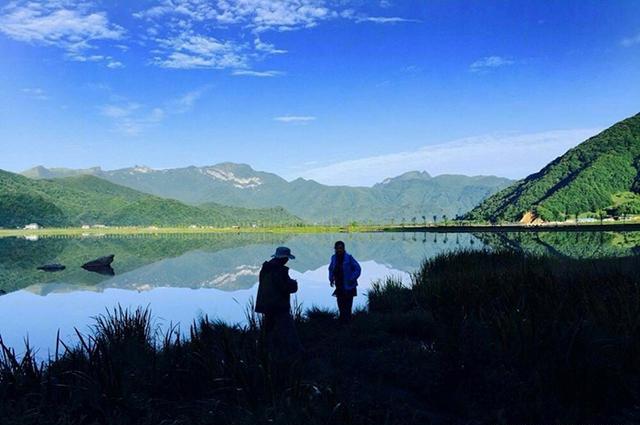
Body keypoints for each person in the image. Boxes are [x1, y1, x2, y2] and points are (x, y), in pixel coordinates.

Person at [255, 246, 302, 355]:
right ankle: (296, 352)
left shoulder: (265, 268)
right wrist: (294, 284)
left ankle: (264, 350)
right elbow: (286, 287)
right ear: (283, 258)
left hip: (266, 303)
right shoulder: (280, 270)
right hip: (278, 305)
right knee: (288, 329)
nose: (287, 261)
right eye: (287, 258)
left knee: (268, 328)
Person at [328, 241, 361, 324]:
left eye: (340, 248)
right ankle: (342, 322)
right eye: (337, 248)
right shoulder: (333, 258)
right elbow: (331, 269)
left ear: (343, 248)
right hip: (339, 285)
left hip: (349, 286)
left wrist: (352, 278)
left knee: (348, 305)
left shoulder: (349, 257)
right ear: (335, 249)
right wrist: (331, 278)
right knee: (340, 304)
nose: (339, 250)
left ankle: (348, 323)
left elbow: (358, 269)